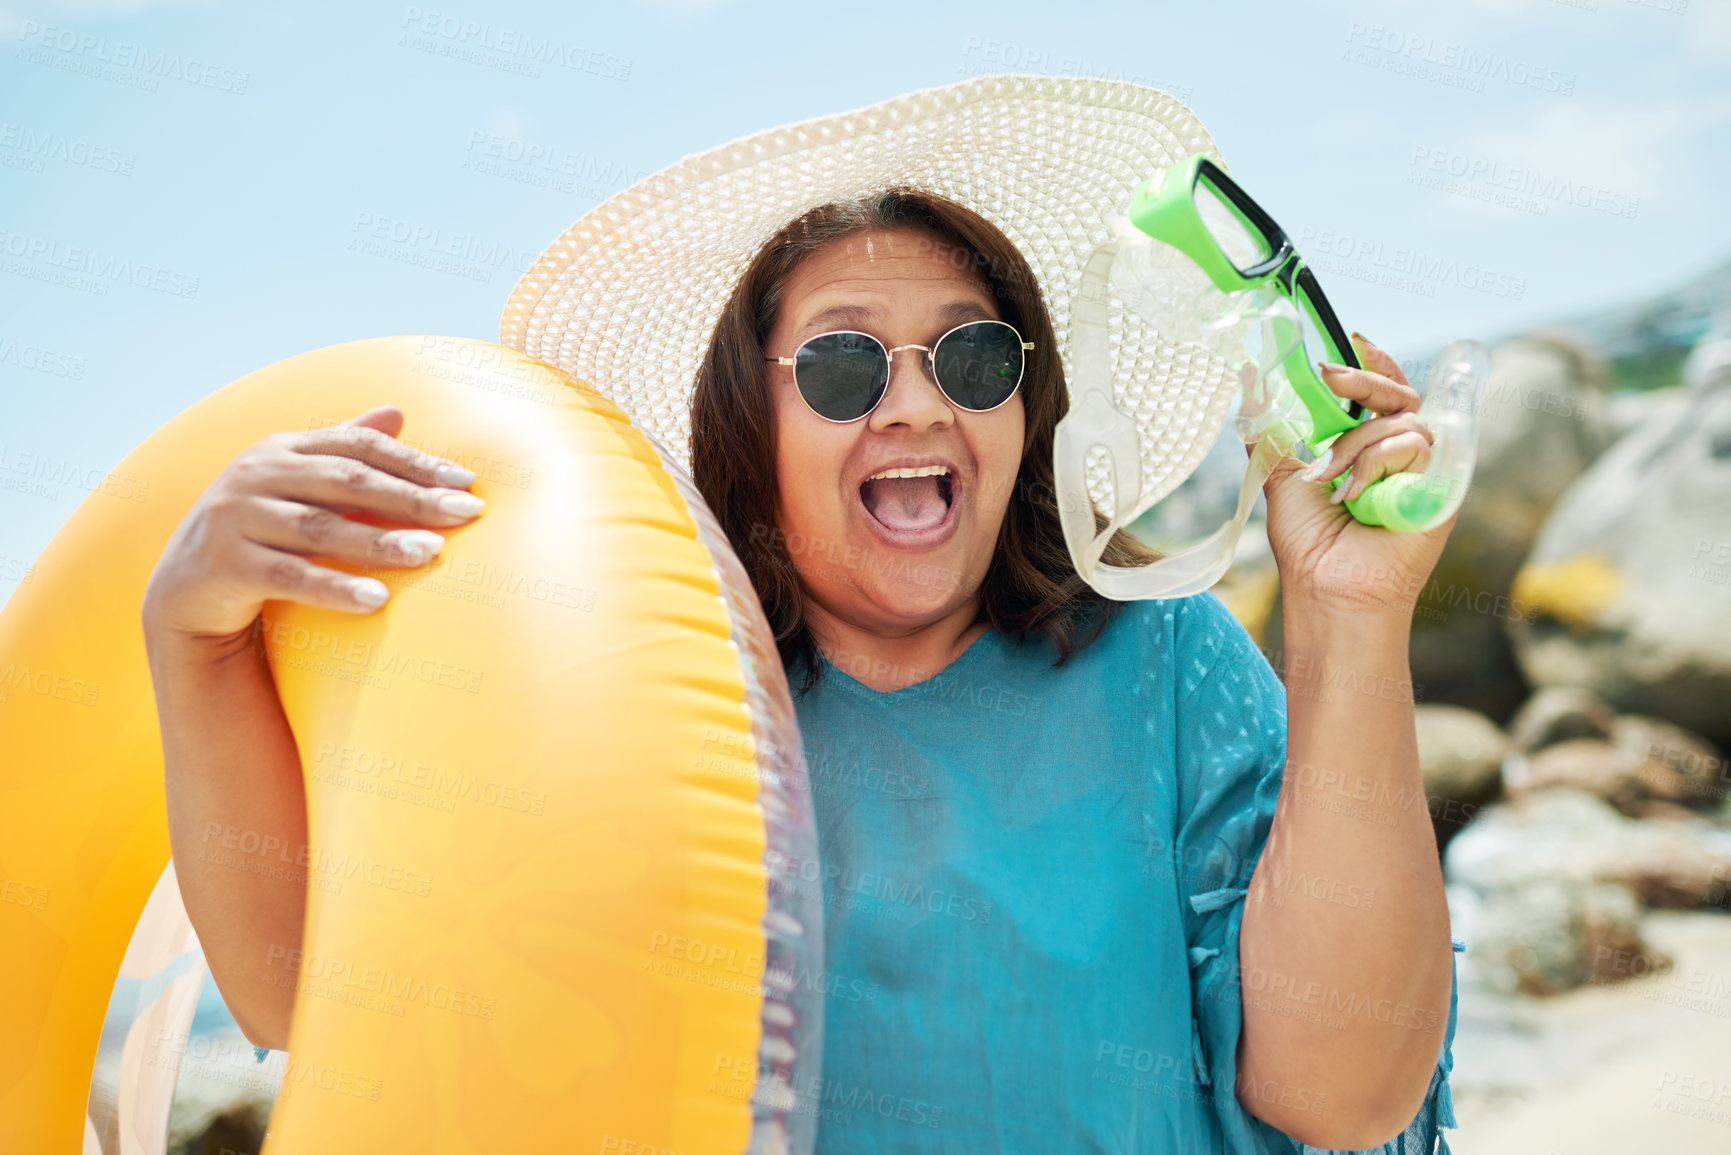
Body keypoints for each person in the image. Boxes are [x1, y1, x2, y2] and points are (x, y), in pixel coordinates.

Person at [144, 77, 1460, 1153]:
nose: (916, 405)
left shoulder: (1161, 665)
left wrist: (1349, 623)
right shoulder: (654, 719)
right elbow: (309, 991)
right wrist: (196, 646)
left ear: (1026, 406)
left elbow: (1342, 1093)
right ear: (750, 437)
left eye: (974, 355)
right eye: (840, 364)